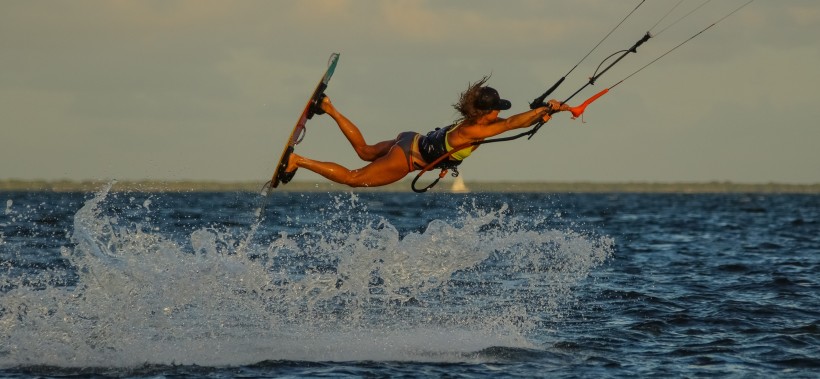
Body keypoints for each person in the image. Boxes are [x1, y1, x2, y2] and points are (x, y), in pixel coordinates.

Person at [281, 77, 570, 187]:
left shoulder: (475, 122)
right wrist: (548, 110)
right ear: (486, 112)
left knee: (365, 151)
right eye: (496, 109)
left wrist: (541, 113)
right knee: (354, 179)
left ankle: (327, 106)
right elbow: (511, 124)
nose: (500, 112)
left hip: (410, 139)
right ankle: (298, 161)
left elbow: (515, 121)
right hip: (407, 157)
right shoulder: (477, 130)